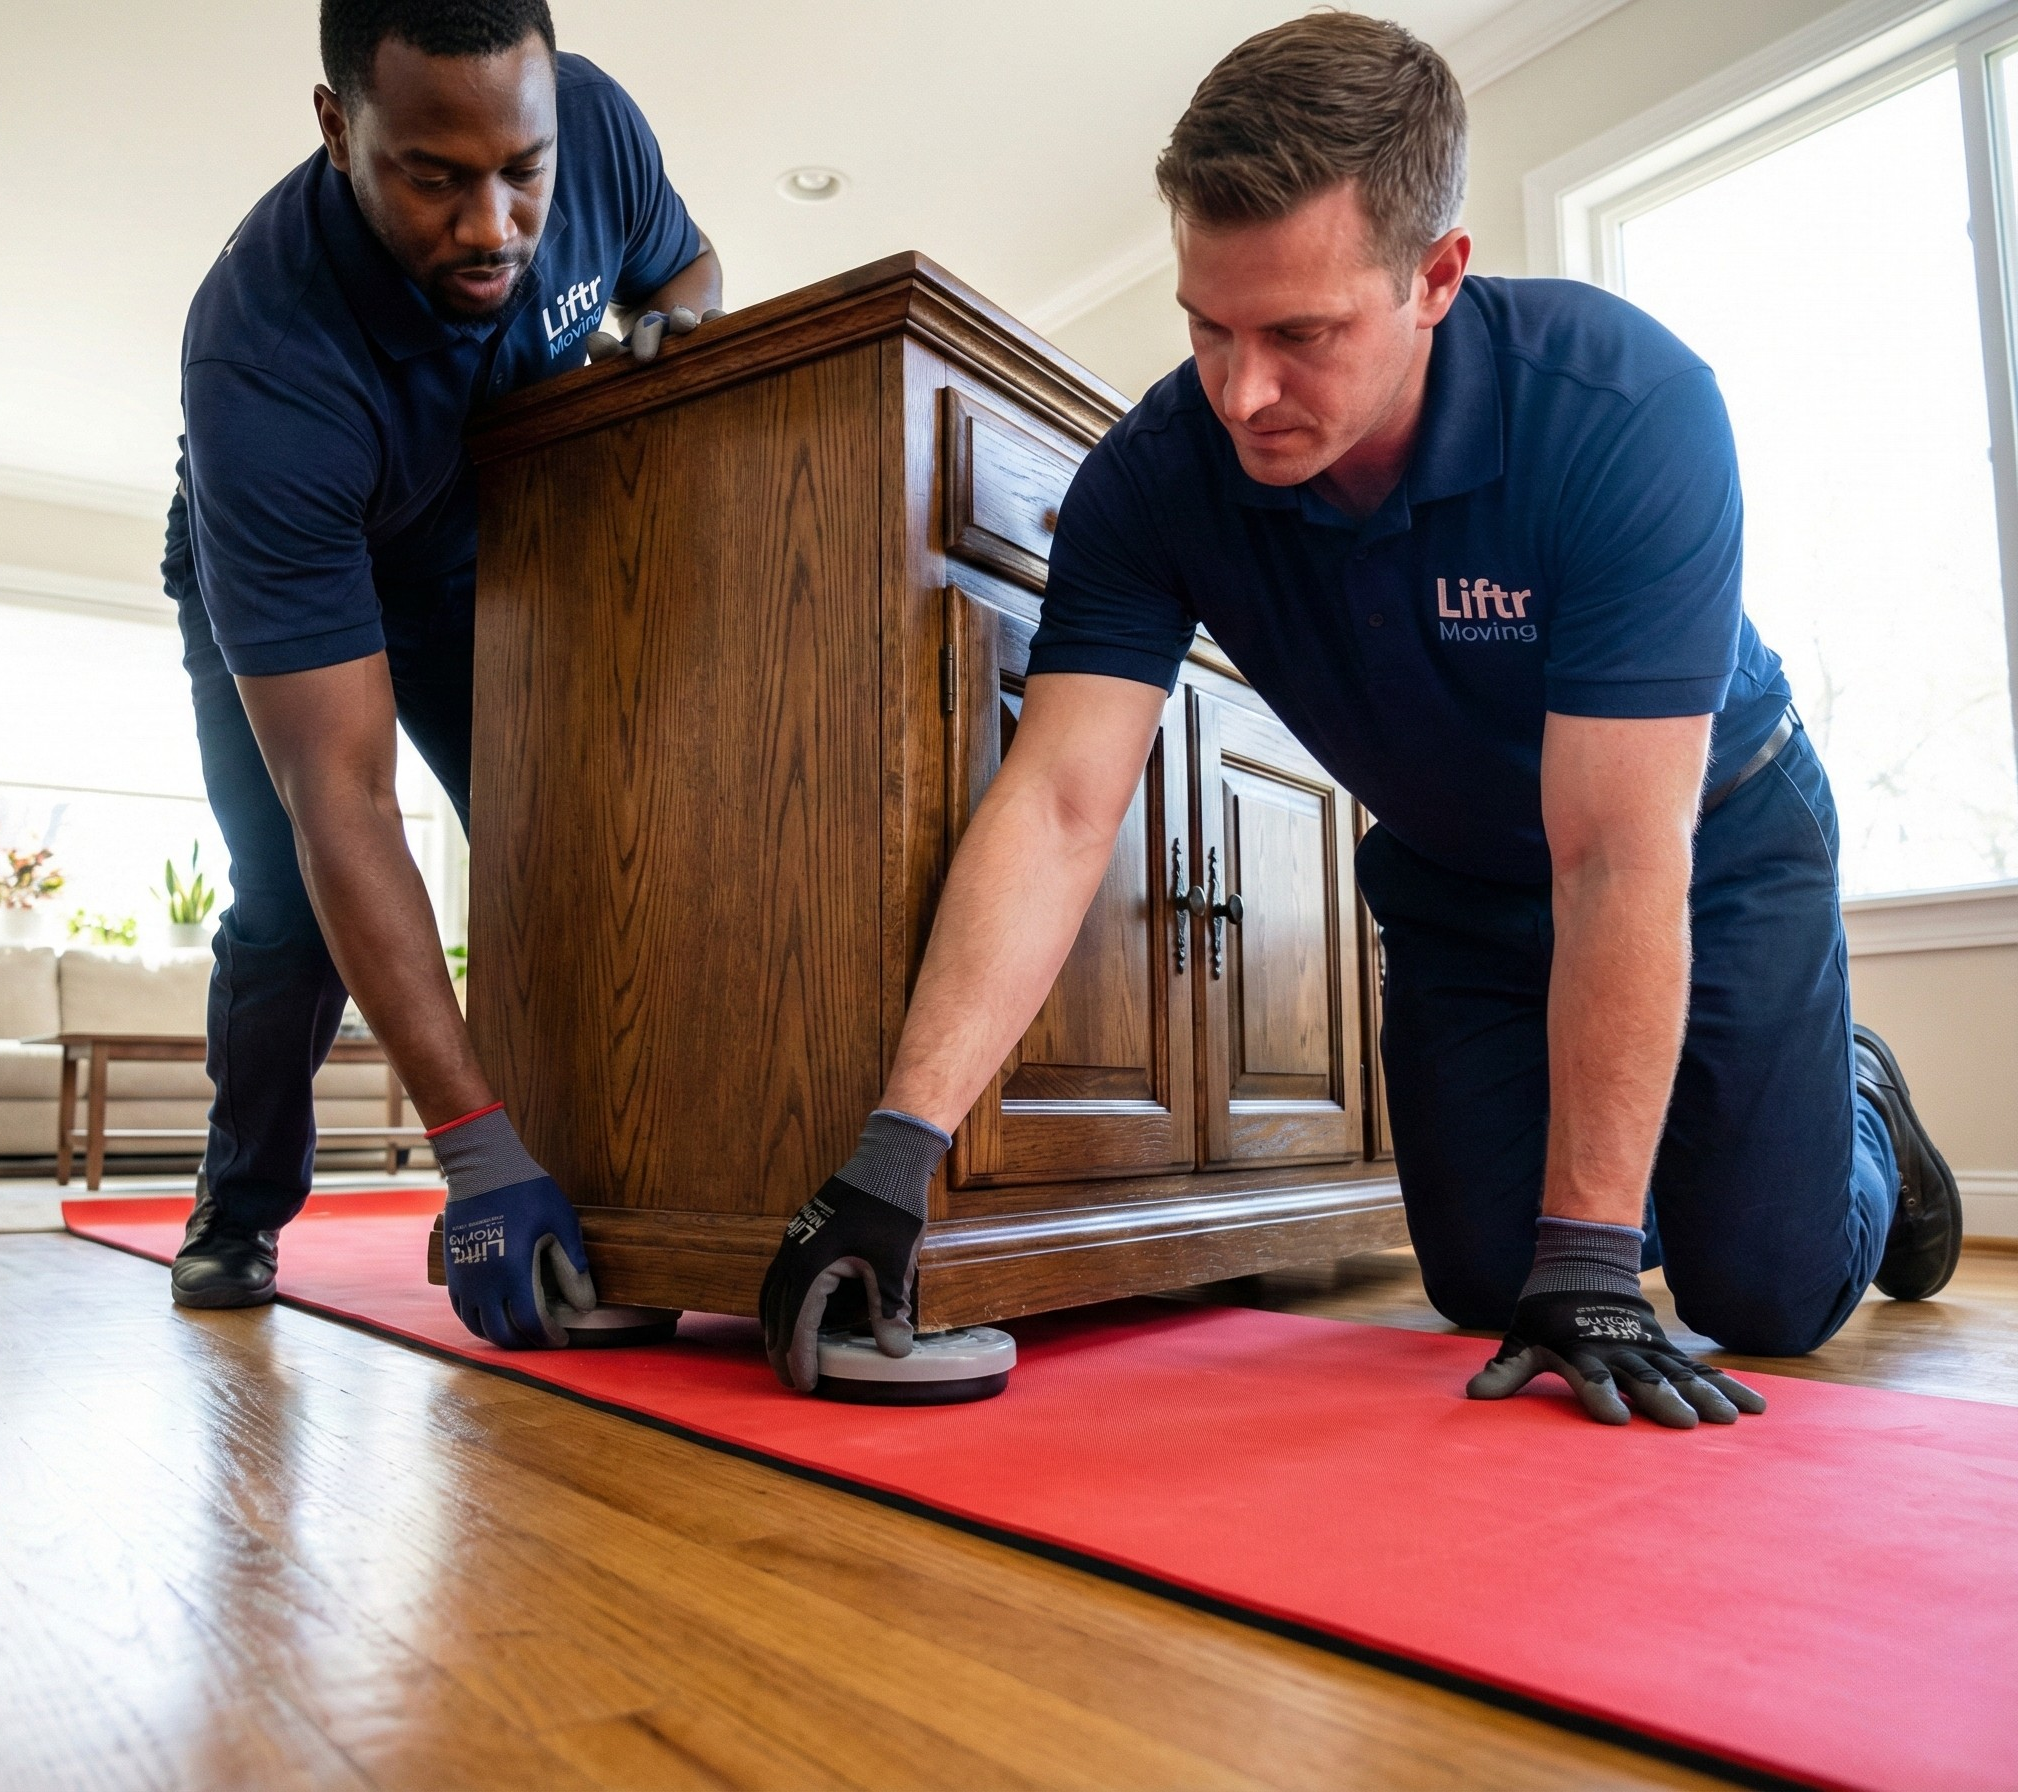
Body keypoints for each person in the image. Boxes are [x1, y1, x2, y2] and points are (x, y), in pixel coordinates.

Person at [758, 12, 1962, 1426]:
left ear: (1435, 276)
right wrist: (892, 1160)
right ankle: (1639, 1191)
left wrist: (1587, 1265)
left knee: (1764, 1296)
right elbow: (1063, 805)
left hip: (1704, 837)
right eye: (1207, 326)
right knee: (1479, 1282)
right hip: (1459, 879)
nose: (1243, 390)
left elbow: (1617, 860)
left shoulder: (1624, 410)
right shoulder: (1155, 479)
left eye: (1302, 333)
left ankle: (1862, 1109)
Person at [161, 0, 720, 1340]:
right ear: (336, 127)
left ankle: (604, 1185)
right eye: (432, 177)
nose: (490, 226)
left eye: (520, 174)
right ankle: (238, 1209)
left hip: (476, 550)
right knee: (292, 906)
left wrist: (671, 350)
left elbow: (686, 268)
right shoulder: (261, 353)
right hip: (286, 562)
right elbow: (342, 796)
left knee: (556, 850)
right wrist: (468, 1153)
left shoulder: (598, 127)